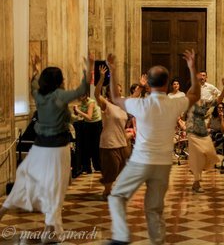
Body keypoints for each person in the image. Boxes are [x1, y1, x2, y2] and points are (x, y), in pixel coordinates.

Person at [106, 49, 200, 245]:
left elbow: (115, 97)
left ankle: (121, 236)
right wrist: (192, 68)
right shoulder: (174, 104)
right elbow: (195, 94)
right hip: (163, 164)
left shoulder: (139, 105)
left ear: (148, 83)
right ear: (167, 84)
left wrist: (112, 71)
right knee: (154, 209)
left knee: (117, 196)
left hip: (141, 160)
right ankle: (157, 242)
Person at [0, 53, 94, 240]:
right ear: (59, 81)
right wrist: (87, 69)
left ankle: (7, 213)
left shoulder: (40, 95)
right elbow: (81, 89)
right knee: (55, 189)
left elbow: (32, 85)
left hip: (39, 148)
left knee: (24, 182)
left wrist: (35, 69)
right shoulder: (59, 96)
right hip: (57, 149)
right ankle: (49, 232)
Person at [94, 65, 130, 199]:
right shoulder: (106, 105)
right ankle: (107, 190)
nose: (118, 93)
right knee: (111, 167)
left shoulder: (122, 106)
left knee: (124, 164)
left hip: (122, 141)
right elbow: (96, 94)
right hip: (109, 142)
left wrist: (142, 87)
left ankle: (108, 183)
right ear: (109, 93)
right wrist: (102, 78)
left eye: (119, 91)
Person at [187, 77, 224, 192]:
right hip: (192, 130)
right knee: (198, 155)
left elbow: (219, 100)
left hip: (202, 130)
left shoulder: (205, 103)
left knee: (208, 152)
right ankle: (196, 182)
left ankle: (196, 177)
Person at [74, 93, 103, 173]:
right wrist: (76, 111)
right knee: (86, 146)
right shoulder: (82, 102)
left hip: (96, 124)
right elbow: (81, 115)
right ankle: (86, 167)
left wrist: (79, 111)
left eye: (81, 96)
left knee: (95, 145)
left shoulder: (91, 102)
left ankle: (98, 166)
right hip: (87, 124)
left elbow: (89, 117)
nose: (79, 97)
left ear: (85, 96)